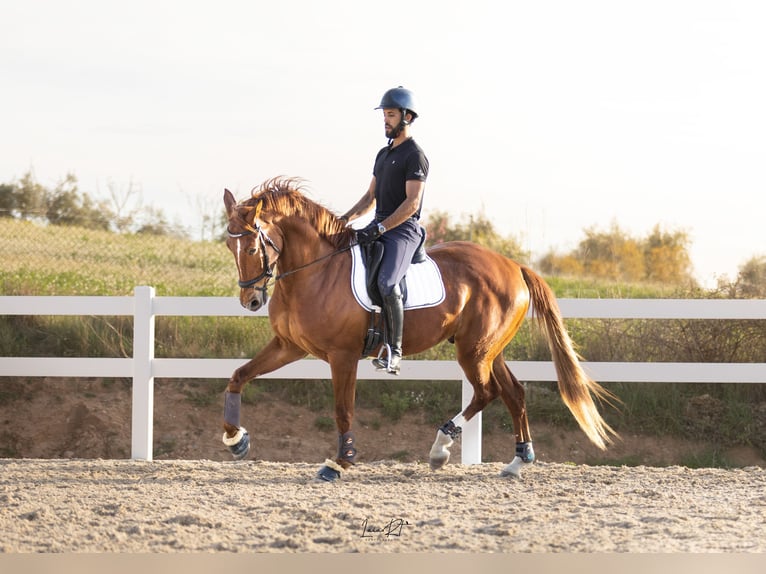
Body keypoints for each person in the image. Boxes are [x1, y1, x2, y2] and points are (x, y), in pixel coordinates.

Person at [341, 86, 429, 375]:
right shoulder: (382, 154)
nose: (386, 121)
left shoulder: (414, 156)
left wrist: (380, 227)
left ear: (407, 117)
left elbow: (411, 203)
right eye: (385, 115)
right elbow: (370, 199)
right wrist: (343, 220)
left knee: (388, 283)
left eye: (391, 115)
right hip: (378, 225)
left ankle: (395, 351)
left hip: (403, 230)